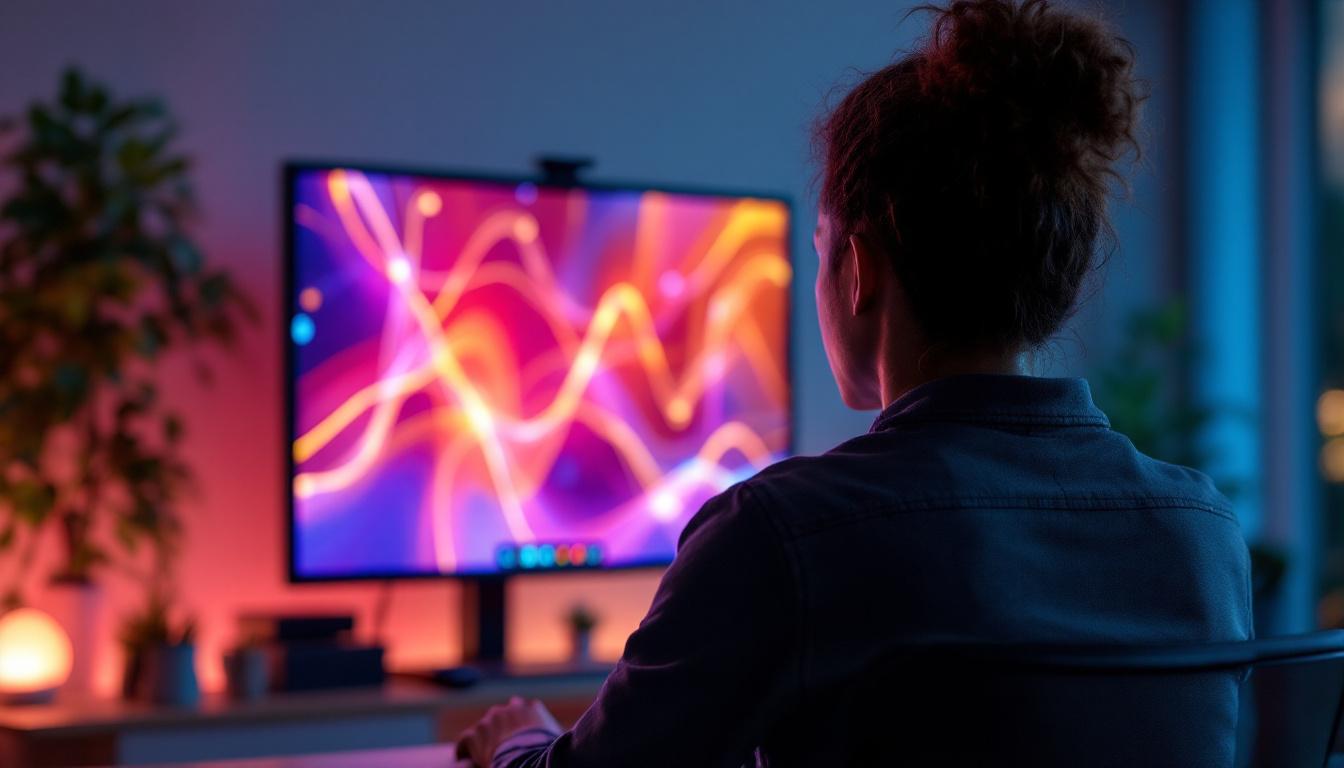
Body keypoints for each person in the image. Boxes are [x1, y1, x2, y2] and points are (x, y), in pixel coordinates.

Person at [457, 1, 1252, 765]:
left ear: (860, 268)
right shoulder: (1199, 532)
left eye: (820, 250)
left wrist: (519, 742)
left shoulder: (781, 535)